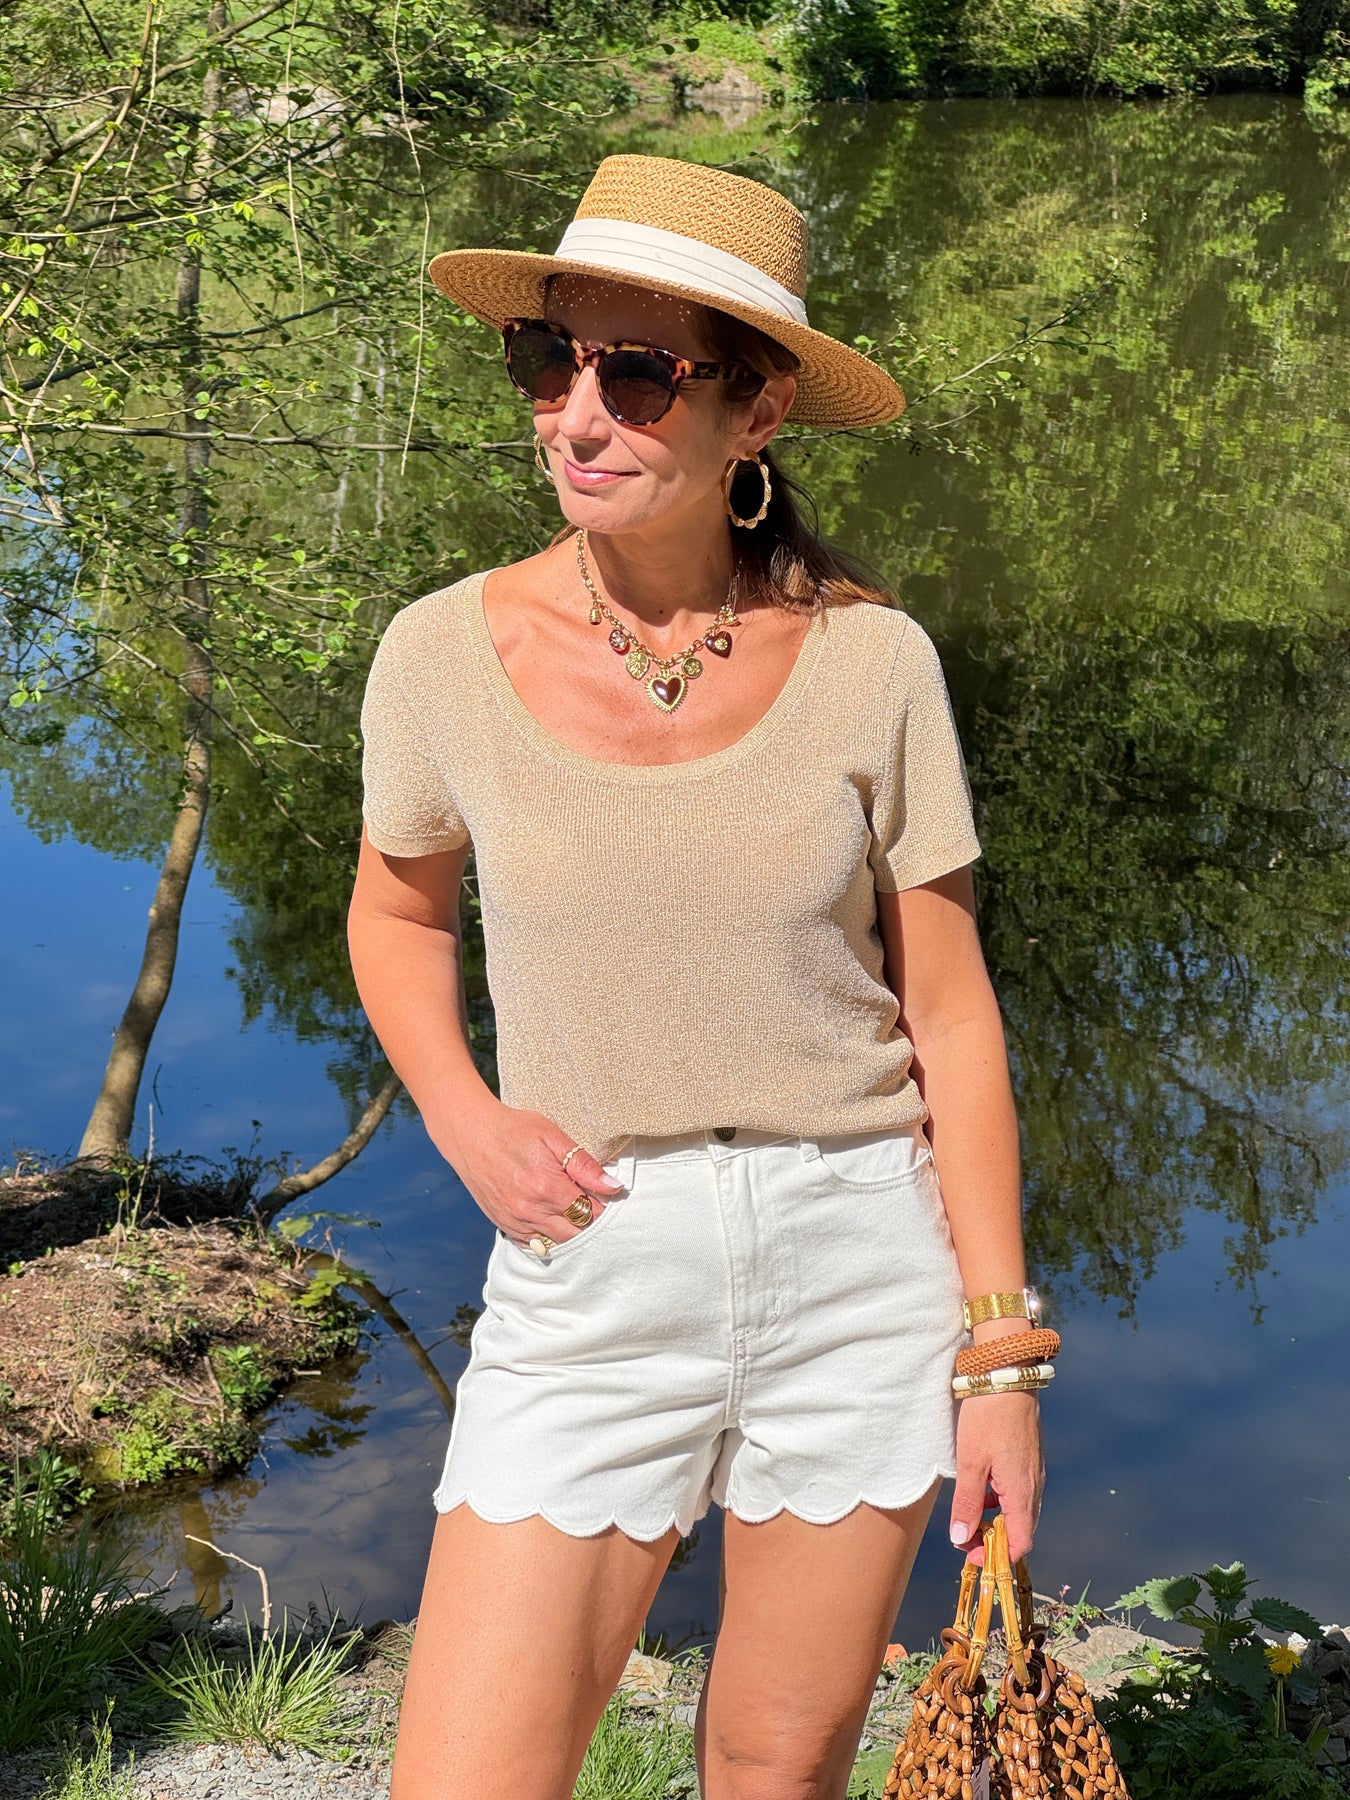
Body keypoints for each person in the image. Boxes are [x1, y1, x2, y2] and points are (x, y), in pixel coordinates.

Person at [346, 153, 1045, 1800]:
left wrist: (1000, 1359)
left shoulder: (873, 662)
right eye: (549, 360)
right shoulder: (440, 653)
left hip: (857, 1263)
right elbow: (397, 916)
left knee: (772, 1771)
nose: (577, 416)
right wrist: (462, 1115)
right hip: (593, 1266)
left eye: (639, 376)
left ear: (758, 411)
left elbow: (950, 1015)